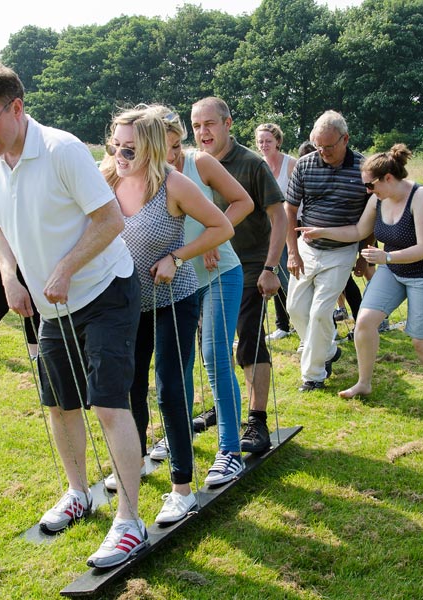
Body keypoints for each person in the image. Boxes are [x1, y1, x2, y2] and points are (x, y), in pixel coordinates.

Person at [0, 62, 145, 569]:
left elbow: (110, 219)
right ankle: (78, 492)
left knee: (108, 405)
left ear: (16, 108)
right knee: (60, 405)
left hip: (104, 291)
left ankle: (128, 522)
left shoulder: (62, 150)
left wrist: (63, 269)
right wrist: (12, 279)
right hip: (49, 304)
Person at [100, 106, 233, 522]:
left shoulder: (173, 184)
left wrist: (176, 256)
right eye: (115, 146)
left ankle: (181, 487)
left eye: (129, 149)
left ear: (152, 147)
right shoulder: (107, 176)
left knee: (170, 389)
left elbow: (221, 227)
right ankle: (136, 459)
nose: (120, 156)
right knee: (130, 386)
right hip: (125, 301)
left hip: (173, 297)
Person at [297, 144, 423, 408]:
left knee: (420, 340)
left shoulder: (422, 197)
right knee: (365, 323)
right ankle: (364, 383)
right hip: (393, 270)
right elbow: (358, 231)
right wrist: (322, 231)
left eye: (370, 185)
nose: (367, 190)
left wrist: (387, 258)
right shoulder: (377, 200)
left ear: (388, 178)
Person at [151, 105, 253, 485]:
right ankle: (177, 437)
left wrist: (218, 232)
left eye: (177, 146)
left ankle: (229, 449)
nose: (174, 156)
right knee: (174, 365)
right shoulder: (143, 177)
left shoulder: (202, 164)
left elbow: (243, 202)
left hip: (218, 273)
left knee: (214, 356)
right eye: (166, 150)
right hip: (176, 285)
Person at [190, 97, 287, 453]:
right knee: (212, 347)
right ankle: (223, 408)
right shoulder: (190, 165)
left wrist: (270, 268)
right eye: (197, 125)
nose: (203, 132)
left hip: (248, 268)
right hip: (206, 270)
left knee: (248, 343)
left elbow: (279, 218)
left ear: (228, 123)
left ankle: (256, 421)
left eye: (210, 124)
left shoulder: (251, 165)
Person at [285, 110, 369, 392]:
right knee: (295, 308)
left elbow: (371, 217)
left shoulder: (363, 168)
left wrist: (364, 255)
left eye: (329, 146)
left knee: (322, 312)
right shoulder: (305, 165)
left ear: (345, 139)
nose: (323, 152)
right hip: (306, 247)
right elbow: (290, 209)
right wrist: (292, 252)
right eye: (318, 146)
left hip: (341, 250)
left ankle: (313, 375)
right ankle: (329, 350)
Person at [0, 186, 39, 361]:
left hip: (25, 251)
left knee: (30, 304)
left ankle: (35, 353)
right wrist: (5, 208)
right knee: (1, 303)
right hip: (0, 252)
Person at [256, 123, 295, 342]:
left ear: (278, 142)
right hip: (265, 234)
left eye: (268, 141)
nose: (264, 145)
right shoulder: (257, 165)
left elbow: (301, 201)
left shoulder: (291, 165)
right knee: (271, 277)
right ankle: (283, 325)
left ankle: (309, 327)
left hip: (289, 232)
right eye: (260, 141)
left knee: (290, 281)